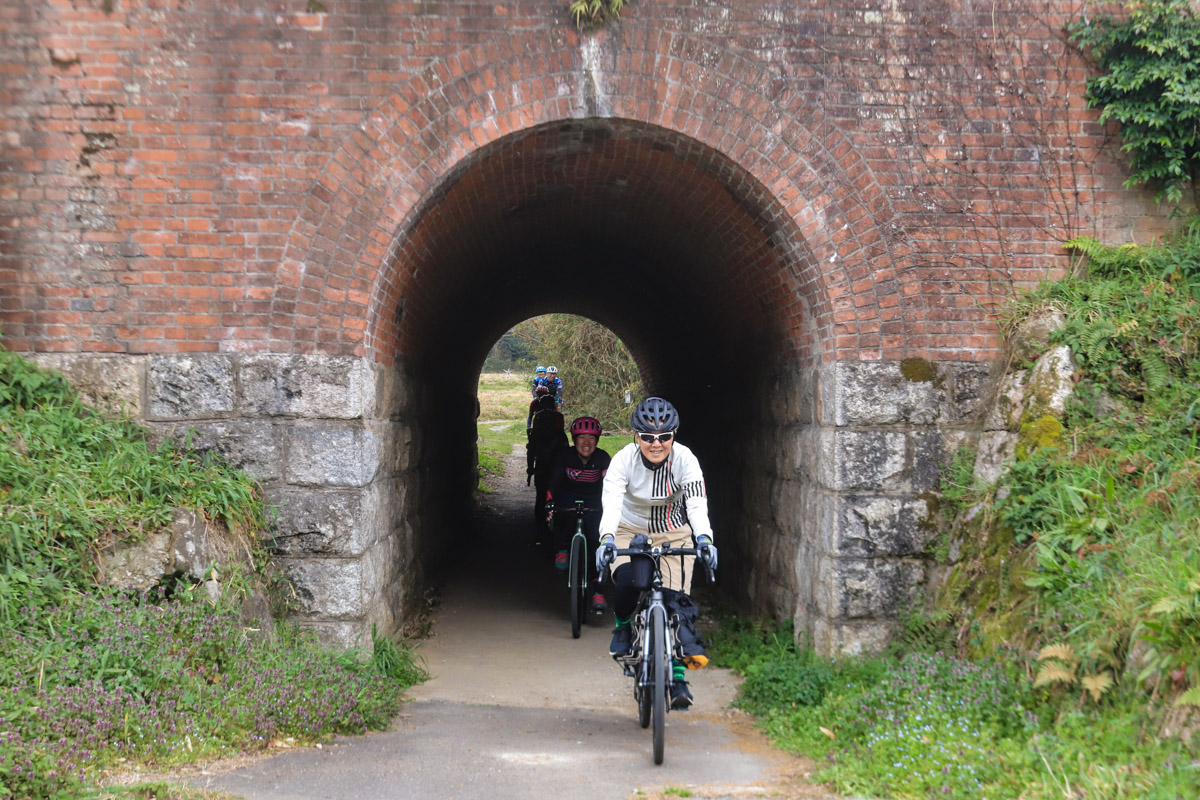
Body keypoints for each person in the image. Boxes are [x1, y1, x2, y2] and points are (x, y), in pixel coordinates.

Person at [595, 396, 718, 710]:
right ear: (636, 436)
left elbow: (696, 504)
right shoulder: (623, 460)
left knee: (676, 604)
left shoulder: (686, 460)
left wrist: (704, 538)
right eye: (648, 437)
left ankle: (677, 676)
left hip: (673, 533)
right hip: (628, 529)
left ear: (673, 435)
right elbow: (611, 502)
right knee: (627, 582)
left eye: (664, 437)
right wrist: (607, 538)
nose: (656, 443)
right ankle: (623, 628)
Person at [546, 416, 612, 612]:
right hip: (568, 497)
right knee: (564, 517)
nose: (586, 443)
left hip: (594, 500)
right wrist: (549, 501)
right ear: (574, 440)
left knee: (595, 542)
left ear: (597, 440)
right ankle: (564, 548)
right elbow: (554, 481)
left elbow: (610, 484)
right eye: (581, 437)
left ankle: (598, 591)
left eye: (591, 438)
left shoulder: (602, 458)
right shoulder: (565, 456)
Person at [526, 394, 566, 544]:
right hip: (555, 467)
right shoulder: (559, 428)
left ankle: (540, 530)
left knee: (540, 498)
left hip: (542, 467)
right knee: (558, 497)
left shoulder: (537, 427)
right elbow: (565, 450)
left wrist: (530, 468)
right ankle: (555, 530)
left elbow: (531, 451)